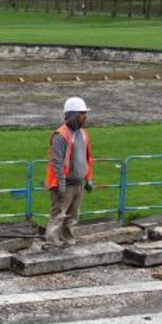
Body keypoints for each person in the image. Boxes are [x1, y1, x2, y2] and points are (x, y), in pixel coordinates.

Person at [45, 96, 94, 247]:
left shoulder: (83, 134)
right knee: (58, 215)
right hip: (64, 183)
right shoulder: (61, 135)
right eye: (82, 113)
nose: (85, 116)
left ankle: (68, 241)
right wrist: (61, 184)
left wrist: (88, 179)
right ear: (73, 115)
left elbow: (87, 158)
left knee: (72, 217)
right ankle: (53, 243)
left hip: (78, 183)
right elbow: (57, 162)